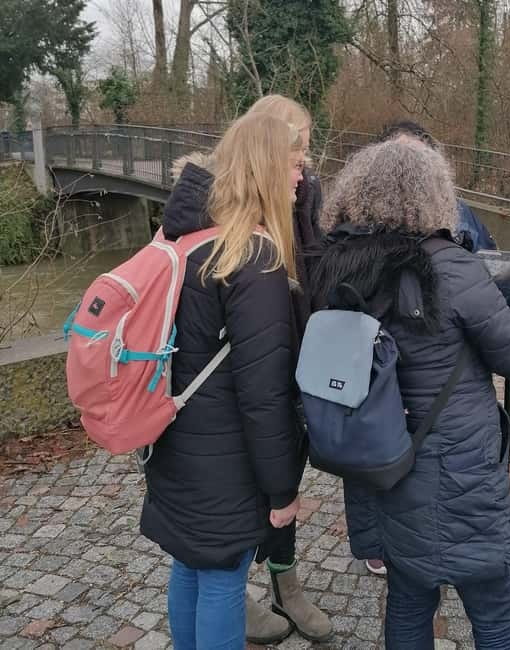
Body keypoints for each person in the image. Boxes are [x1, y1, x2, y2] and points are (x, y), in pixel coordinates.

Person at [312, 138, 510, 649]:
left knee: (409, 599)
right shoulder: (454, 267)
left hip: (384, 458)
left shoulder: (339, 264)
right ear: (434, 194)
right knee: (496, 603)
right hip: (460, 468)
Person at [139, 112, 307, 649]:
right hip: (226, 459)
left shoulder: (187, 238)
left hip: (175, 440)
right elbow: (264, 395)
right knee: (223, 578)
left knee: (189, 565)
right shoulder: (254, 257)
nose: (301, 177)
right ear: (266, 169)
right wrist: (282, 489)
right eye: (296, 163)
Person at [243, 94, 332, 644]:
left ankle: (285, 581)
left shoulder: (307, 191)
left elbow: (317, 267)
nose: (305, 164)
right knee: (243, 475)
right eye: (297, 150)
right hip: (250, 355)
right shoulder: (230, 198)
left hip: (296, 352)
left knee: (286, 469)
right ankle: (232, 586)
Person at [379, 120, 497, 252]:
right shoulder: (366, 223)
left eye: (421, 158)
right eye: (402, 158)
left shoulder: (459, 212)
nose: (412, 167)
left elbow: (489, 259)